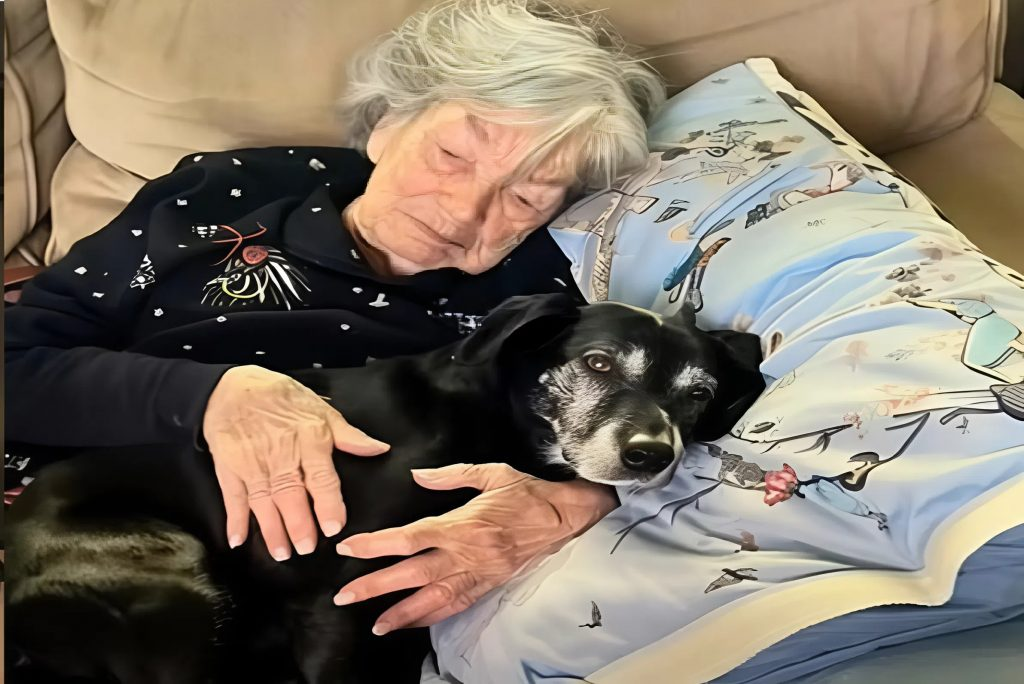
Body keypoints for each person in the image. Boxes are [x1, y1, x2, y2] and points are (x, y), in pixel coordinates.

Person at [3, 0, 665, 636]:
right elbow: (13, 366)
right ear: (388, 123)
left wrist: (575, 506)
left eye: (524, 197)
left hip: (310, 608)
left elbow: (627, 438)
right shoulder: (224, 196)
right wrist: (206, 397)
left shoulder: (543, 299)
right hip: (69, 537)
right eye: (450, 156)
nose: (464, 210)